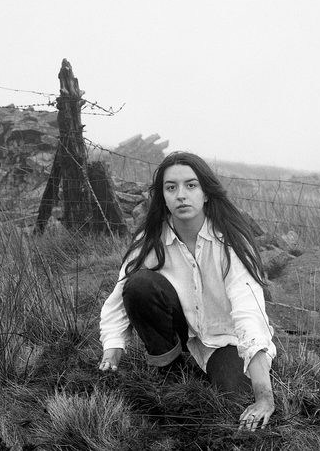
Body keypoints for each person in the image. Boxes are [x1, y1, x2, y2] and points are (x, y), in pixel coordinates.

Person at [99, 151, 276, 430]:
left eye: (190, 185)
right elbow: (120, 297)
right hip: (184, 331)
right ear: (163, 197)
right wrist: (113, 348)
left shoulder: (231, 241)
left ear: (205, 193)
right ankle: (167, 367)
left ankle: (234, 372)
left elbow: (248, 312)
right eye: (171, 188)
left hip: (226, 339)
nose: (181, 195)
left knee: (234, 405)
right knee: (140, 285)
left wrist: (264, 397)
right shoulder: (151, 239)